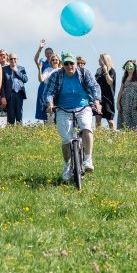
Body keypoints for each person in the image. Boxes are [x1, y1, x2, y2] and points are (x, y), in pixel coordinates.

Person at [44, 52, 102, 181]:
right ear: (62, 64)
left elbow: (94, 87)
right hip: (63, 109)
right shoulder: (57, 75)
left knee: (87, 128)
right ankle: (67, 166)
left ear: (76, 63)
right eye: (66, 63)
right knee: (66, 139)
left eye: (72, 63)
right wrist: (50, 103)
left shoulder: (84, 73)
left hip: (83, 107)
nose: (70, 66)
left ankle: (88, 159)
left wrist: (97, 101)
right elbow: (49, 92)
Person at [116, 60, 137, 131]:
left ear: (134, 67)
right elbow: (120, 90)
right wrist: (118, 103)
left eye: (131, 66)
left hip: (135, 100)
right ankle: (127, 134)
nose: (129, 68)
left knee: (135, 118)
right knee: (125, 118)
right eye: (127, 66)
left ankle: (134, 135)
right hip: (125, 101)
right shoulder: (124, 77)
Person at [34, 42, 59, 123]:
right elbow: (35, 59)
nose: (48, 54)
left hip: (56, 89)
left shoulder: (59, 66)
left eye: (50, 53)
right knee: (44, 106)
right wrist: (40, 48)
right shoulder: (43, 64)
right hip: (44, 87)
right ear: (45, 54)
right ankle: (46, 124)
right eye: (47, 53)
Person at [2, 53, 29, 125]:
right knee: (10, 117)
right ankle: (10, 134)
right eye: (11, 59)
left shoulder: (21, 68)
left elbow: (25, 79)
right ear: (8, 60)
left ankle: (19, 132)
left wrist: (16, 71)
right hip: (10, 95)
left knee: (19, 115)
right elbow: (2, 85)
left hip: (19, 94)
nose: (13, 60)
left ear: (17, 59)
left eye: (14, 59)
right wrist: (3, 97)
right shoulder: (4, 69)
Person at [94, 54, 116, 130]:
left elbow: (110, 82)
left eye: (100, 59)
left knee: (109, 119)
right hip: (99, 97)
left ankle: (113, 136)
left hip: (108, 97)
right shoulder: (98, 70)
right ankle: (99, 135)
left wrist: (106, 71)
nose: (99, 61)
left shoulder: (111, 70)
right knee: (97, 117)